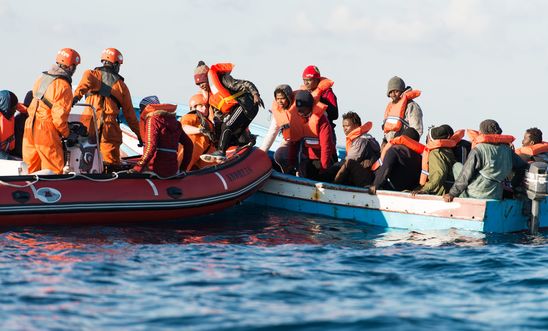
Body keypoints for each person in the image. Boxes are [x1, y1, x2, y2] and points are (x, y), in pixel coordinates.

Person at [73, 48, 141, 170]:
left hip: (88, 126)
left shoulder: (91, 75)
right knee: (110, 165)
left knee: (83, 163)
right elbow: (130, 116)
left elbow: (81, 88)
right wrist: (140, 135)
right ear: (115, 64)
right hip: (109, 129)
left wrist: (74, 99)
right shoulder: (122, 86)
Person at [23, 48, 80, 174]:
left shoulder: (41, 78)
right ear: (70, 67)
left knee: (29, 170)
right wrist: (68, 134)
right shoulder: (64, 86)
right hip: (45, 130)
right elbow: (59, 119)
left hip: (29, 126)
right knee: (53, 170)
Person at [443, 120, 527, 202]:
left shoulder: (479, 149)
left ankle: (462, 197)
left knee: (456, 166)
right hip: (496, 194)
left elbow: (465, 175)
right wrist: (514, 184)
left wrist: (452, 194)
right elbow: (522, 166)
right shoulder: (507, 150)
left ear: (482, 132)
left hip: (475, 193)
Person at [196, 61, 264, 162]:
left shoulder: (223, 79)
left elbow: (246, 84)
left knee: (227, 126)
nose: (201, 85)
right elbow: (218, 116)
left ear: (207, 78)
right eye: (198, 84)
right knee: (228, 130)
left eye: (202, 82)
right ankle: (246, 142)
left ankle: (221, 152)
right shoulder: (211, 96)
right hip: (240, 110)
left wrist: (255, 94)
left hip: (247, 104)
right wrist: (216, 133)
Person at [131, 96, 193, 177]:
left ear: (148, 107)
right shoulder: (175, 123)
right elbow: (189, 145)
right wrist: (183, 168)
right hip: (172, 170)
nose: (140, 112)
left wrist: (137, 168)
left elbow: (151, 146)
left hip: (155, 169)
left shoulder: (153, 120)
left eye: (141, 108)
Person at [287, 90, 335, 180]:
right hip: (306, 158)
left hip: (322, 159)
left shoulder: (322, 121)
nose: (299, 111)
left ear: (310, 107)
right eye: (298, 108)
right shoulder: (296, 119)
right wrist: (291, 163)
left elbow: (326, 146)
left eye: (302, 108)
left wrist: (323, 167)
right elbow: (293, 143)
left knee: (320, 174)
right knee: (303, 168)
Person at [329, 111, 380, 186]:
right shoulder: (368, 137)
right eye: (343, 126)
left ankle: (332, 185)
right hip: (370, 175)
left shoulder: (360, 141)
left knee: (346, 164)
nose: (344, 129)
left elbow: (349, 161)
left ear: (356, 126)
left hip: (366, 179)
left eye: (347, 126)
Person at [370, 127, 424, 194]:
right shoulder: (420, 158)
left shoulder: (395, 150)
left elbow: (385, 169)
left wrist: (375, 186)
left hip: (390, 189)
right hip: (409, 191)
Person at [412, 125, 462, 196]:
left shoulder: (435, 153)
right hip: (448, 189)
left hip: (439, 192)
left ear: (431, 138)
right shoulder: (448, 150)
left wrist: (424, 189)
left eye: (427, 137)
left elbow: (439, 174)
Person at [301, 65, 338, 143]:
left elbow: (335, 115)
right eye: (304, 80)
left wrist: (319, 103)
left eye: (309, 80)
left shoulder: (327, 94)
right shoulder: (303, 94)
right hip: (309, 133)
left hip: (326, 131)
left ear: (317, 80)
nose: (306, 83)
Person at [179, 93, 216, 170]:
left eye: (206, 106)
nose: (205, 108)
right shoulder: (190, 116)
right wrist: (200, 130)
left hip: (204, 153)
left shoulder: (208, 122)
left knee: (210, 171)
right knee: (182, 167)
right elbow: (183, 128)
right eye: (201, 106)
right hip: (192, 149)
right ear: (194, 107)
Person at [382, 76, 423, 144]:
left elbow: (416, 130)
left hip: (404, 147)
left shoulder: (412, 106)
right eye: (391, 92)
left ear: (402, 91)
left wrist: (404, 145)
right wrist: (384, 141)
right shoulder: (390, 107)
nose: (393, 94)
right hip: (390, 145)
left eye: (396, 91)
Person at [0, 90, 19, 159]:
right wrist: (11, 159)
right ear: (6, 108)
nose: (15, 111)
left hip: (8, 153)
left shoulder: (9, 116)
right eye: (13, 108)